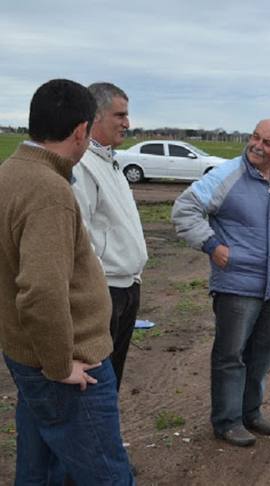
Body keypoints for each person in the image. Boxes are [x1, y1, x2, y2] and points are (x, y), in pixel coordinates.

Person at [0, 79, 134, 484]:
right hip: (69, 365)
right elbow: (41, 291)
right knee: (107, 474)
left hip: (27, 353)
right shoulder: (50, 191)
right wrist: (60, 366)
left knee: (39, 469)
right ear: (81, 130)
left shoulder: (10, 172)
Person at [172, 119, 270, 447]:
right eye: (255, 138)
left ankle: (251, 413)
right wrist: (212, 244)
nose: (257, 146)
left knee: (263, 353)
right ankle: (227, 421)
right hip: (237, 283)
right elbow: (184, 209)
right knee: (230, 355)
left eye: (268, 142)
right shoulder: (226, 175)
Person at [71, 82, 148, 390]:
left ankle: (104, 437)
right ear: (95, 117)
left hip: (127, 286)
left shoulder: (110, 161)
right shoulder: (83, 165)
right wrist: (98, 283)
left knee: (111, 377)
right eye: (120, 115)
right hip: (106, 291)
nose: (127, 123)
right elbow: (81, 235)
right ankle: (93, 437)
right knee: (97, 381)